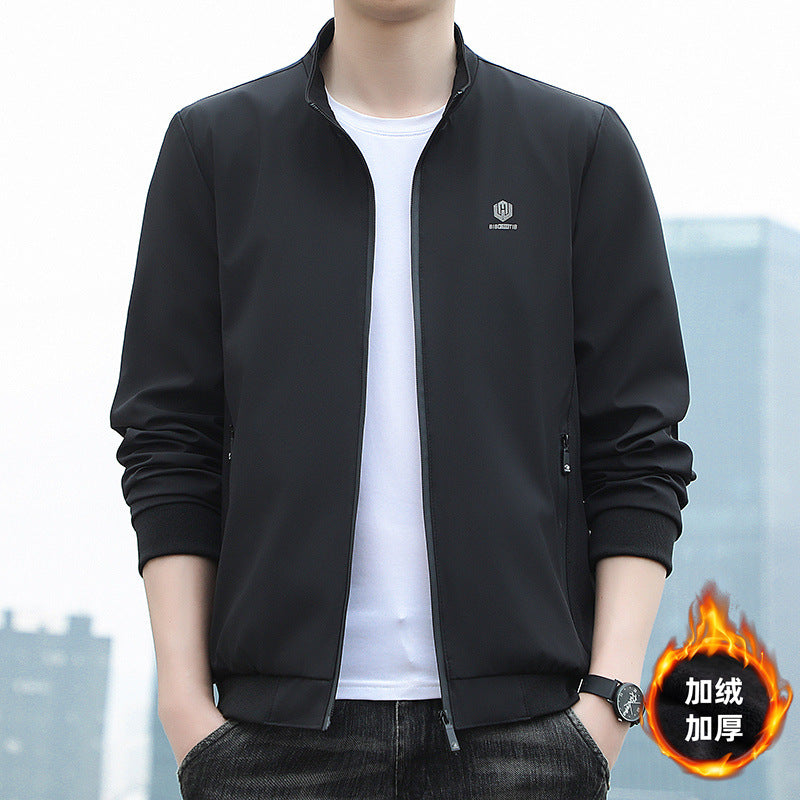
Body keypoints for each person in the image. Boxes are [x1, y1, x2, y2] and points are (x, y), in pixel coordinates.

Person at [109, 2, 697, 798]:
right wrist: (186, 708)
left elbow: (638, 444)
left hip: (526, 738)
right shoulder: (214, 148)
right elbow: (168, 438)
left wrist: (608, 703)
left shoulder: (575, 146)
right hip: (266, 744)